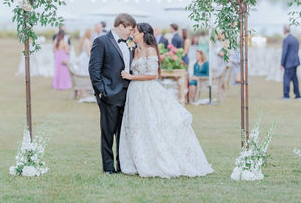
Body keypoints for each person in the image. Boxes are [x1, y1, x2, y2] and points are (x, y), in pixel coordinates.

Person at [119, 22, 213, 178]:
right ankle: (139, 158)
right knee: (138, 125)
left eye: (134, 31)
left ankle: (161, 160)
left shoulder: (150, 50)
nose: (131, 33)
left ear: (142, 33)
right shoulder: (135, 50)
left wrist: (131, 77)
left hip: (147, 91)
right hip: (134, 93)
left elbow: (153, 75)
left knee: (153, 124)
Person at [88, 13, 136, 174]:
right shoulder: (101, 41)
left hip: (128, 94)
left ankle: (123, 165)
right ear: (121, 26)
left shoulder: (131, 44)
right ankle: (108, 167)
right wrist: (101, 92)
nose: (131, 32)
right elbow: (94, 69)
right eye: (130, 29)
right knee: (108, 133)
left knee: (123, 133)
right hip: (109, 95)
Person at [280, 25, 301, 100]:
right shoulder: (295, 39)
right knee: (294, 79)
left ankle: (286, 95)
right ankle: (297, 95)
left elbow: (284, 52)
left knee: (286, 79)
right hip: (295, 62)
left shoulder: (286, 40)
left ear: (284, 31)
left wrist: (282, 64)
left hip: (289, 63)